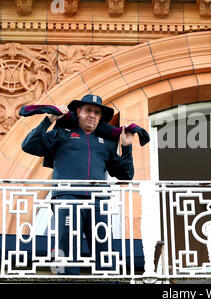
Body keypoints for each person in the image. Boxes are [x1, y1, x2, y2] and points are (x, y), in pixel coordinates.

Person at [22, 94, 134, 275]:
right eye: (88, 110)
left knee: (105, 251)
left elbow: (125, 175)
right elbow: (29, 145)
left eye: (97, 113)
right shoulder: (62, 134)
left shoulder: (107, 142)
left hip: (98, 202)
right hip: (67, 199)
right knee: (67, 251)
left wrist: (127, 147)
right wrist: (49, 119)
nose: (92, 115)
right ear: (78, 112)